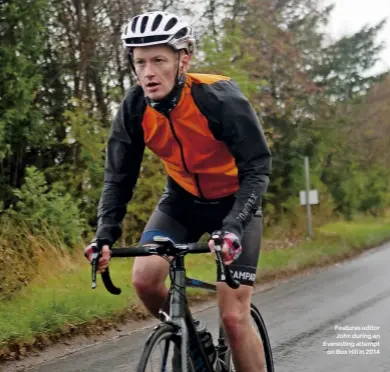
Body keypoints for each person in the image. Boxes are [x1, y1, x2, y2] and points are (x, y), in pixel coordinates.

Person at [84, 11, 271, 372]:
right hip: (181, 202)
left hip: (236, 203)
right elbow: (118, 177)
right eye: (140, 63)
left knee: (233, 318)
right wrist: (104, 234)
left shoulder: (218, 98)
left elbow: (256, 168)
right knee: (144, 280)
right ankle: (194, 342)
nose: (148, 72)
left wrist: (233, 227)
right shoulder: (135, 106)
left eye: (159, 60)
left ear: (183, 59)